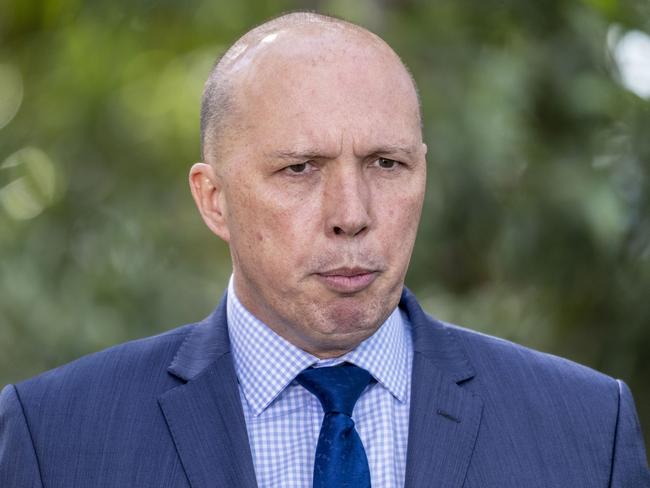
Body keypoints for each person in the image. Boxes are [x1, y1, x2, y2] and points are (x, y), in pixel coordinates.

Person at [0, 11, 648, 488]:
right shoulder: (56, 438)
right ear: (214, 199)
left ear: (424, 171)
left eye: (387, 164)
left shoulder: (587, 429)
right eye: (301, 169)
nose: (352, 215)